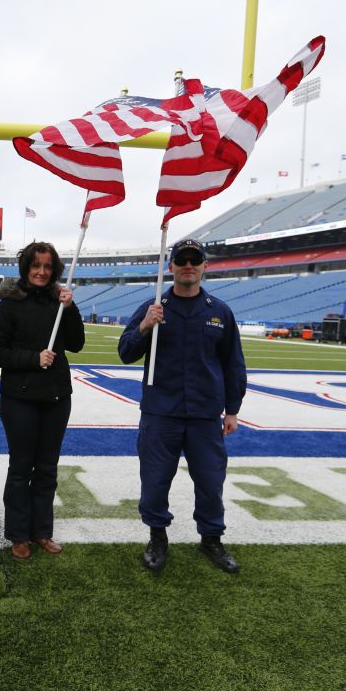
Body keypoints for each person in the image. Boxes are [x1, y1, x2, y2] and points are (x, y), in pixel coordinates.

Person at [117, 238, 247, 574]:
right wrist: (146, 325)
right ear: (171, 266)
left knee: (210, 481)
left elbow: (233, 363)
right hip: (161, 412)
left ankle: (211, 538)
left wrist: (232, 409)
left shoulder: (220, 312)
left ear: (205, 265)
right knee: (156, 480)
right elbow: (125, 352)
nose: (188, 265)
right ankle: (157, 536)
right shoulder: (153, 306)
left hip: (206, 415)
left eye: (195, 259)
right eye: (181, 259)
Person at [0, 242, 85, 560]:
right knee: (21, 467)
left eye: (47, 267)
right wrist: (32, 358)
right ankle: (17, 534)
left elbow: (78, 343)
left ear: (55, 270)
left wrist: (71, 309)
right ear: (26, 268)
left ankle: (41, 530)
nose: (42, 272)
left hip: (56, 396)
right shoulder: (10, 305)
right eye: (35, 266)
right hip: (20, 398)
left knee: (47, 468)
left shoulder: (60, 302)